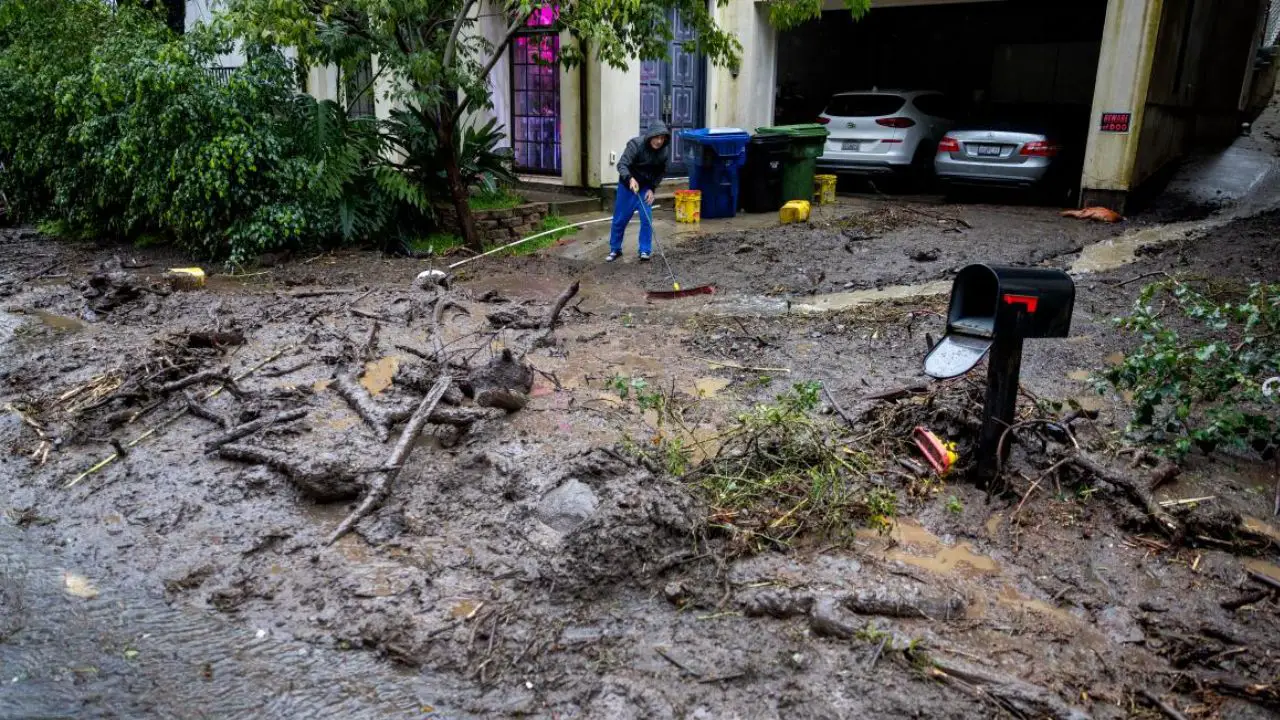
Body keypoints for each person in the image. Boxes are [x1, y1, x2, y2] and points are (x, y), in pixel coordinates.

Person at [607, 122, 671, 262]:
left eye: (662, 138)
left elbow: (661, 172)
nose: (659, 141)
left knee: (646, 219)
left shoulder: (664, 152)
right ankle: (615, 249)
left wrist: (652, 188)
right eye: (656, 137)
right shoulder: (635, 145)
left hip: (645, 188)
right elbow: (622, 164)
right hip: (627, 186)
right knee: (620, 219)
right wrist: (630, 179)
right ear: (650, 136)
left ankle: (644, 250)